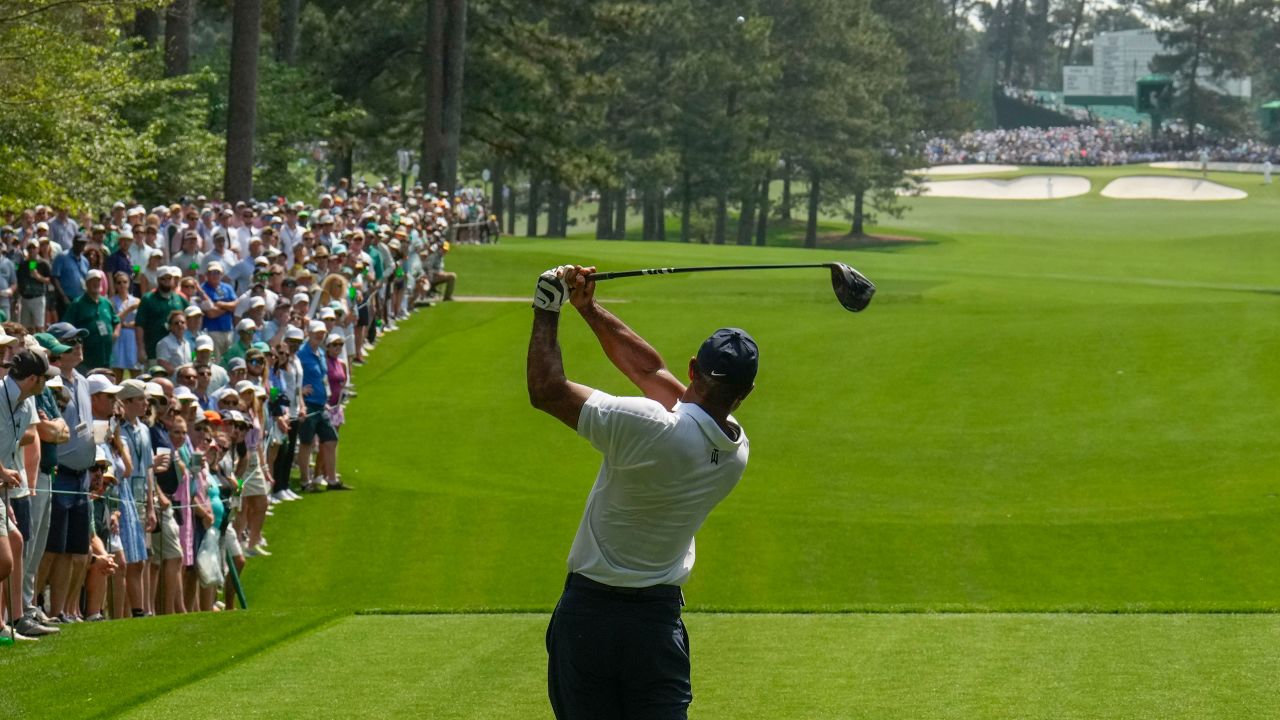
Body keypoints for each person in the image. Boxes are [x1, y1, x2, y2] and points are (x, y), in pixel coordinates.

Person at [528, 265, 756, 720]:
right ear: (745, 393)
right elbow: (650, 371)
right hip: (657, 624)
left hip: (588, 619)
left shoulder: (645, 424)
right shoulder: (736, 449)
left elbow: (547, 391)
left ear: (693, 368)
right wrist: (589, 309)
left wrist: (547, 307)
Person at [61, 269, 120, 372]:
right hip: (86, 359)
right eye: (93, 281)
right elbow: (66, 326)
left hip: (106, 356)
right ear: (87, 283)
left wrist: (116, 333)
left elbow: (116, 321)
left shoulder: (106, 303)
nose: (96, 283)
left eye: (98, 281)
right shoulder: (77, 304)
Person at [110, 272, 141, 376]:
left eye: (125, 282)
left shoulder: (136, 300)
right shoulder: (111, 302)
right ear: (115, 285)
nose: (122, 285)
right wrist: (130, 309)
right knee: (117, 372)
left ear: (129, 283)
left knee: (136, 372)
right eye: (119, 282)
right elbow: (114, 319)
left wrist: (127, 324)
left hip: (133, 338)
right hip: (118, 338)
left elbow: (141, 321)